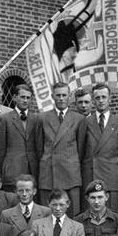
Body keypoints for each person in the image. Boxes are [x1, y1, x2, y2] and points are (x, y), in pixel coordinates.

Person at [37, 82, 87, 216]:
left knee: (72, 215)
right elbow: (39, 148)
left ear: (70, 96)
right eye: (58, 95)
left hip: (70, 174)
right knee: (47, 215)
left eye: (64, 95)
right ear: (52, 96)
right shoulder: (42, 118)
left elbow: (81, 149)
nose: (61, 98)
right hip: (49, 174)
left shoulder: (79, 119)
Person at [81, 83, 118, 213]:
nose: (101, 101)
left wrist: (114, 166)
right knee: (91, 217)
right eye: (97, 98)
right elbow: (81, 151)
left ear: (110, 99)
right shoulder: (85, 122)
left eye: (104, 97)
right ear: (93, 101)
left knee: (112, 216)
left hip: (111, 177)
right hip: (91, 175)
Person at [0, 84, 40, 192]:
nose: (25, 100)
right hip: (12, 173)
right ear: (14, 97)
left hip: (32, 173)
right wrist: (8, 166)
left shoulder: (37, 119)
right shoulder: (5, 119)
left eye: (28, 98)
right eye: (22, 97)